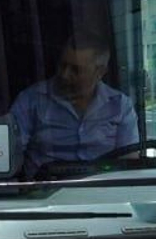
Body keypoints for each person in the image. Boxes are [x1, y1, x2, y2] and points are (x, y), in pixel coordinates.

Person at [9, 34, 139, 175]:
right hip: (45, 189)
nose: (64, 75)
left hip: (103, 190)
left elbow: (128, 162)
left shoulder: (120, 105)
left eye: (75, 70)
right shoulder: (31, 100)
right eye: (62, 65)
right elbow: (10, 154)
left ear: (99, 72)